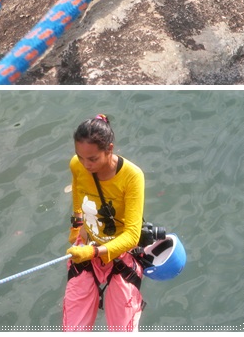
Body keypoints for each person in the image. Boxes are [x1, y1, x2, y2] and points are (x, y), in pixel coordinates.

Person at [63, 114, 146, 332]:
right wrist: (76, 225)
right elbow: (78, 191)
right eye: (80, 157)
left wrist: (93, 252)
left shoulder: (132, 176)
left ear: (109, 149)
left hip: (121, 254)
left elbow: (132, 236)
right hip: (87, 248)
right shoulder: (77, 165)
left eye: (92, 159)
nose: (85, 164)